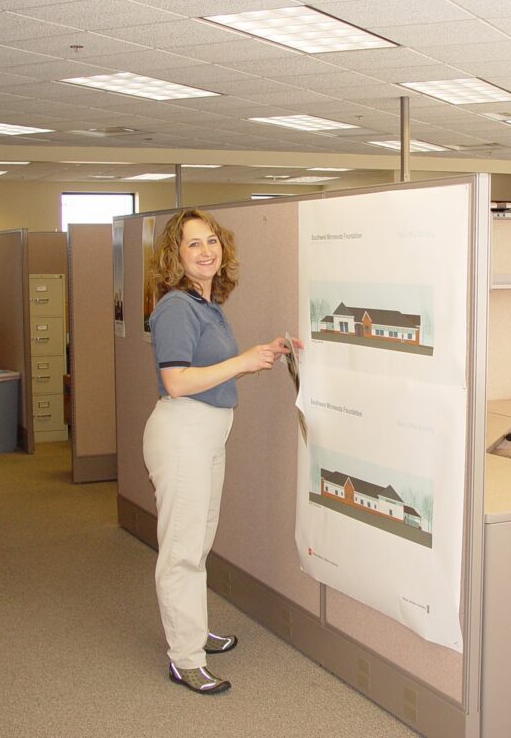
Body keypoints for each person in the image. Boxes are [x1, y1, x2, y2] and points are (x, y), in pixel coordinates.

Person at [142, 208, 291, 696]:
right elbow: (176, 380)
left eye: (212, 241)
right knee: (182, 549)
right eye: (193, 244)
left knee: (198, 540)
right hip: (183, 432)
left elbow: (216, 367)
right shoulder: (175, 307)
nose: (207, 250)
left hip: (208, 432)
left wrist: (257, 355)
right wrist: (242, 361)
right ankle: (184, 657)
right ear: (174, 255)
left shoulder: (205, 303)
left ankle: (193, 626)